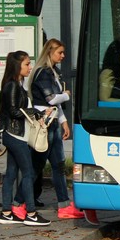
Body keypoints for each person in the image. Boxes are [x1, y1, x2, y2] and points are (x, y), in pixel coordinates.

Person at [29, 39, 85, 220]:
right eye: (60, 52)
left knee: (58, 165)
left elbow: (54, 105)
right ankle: (19, 202)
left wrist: (64, 122)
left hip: (52, 122)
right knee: (37, 165)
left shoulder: (53, 72)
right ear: (50, 52)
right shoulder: (43, 73)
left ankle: (64, 205)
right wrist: (66, 95)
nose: (63, 56)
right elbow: (52, 99)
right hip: (44, 124)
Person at [0, 50, 52, 226]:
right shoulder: (12, 85)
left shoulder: (15, 84)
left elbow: (15, 110)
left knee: (12, 173)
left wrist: (38, 112)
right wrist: (36, 112)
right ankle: (31, 213)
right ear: (17, 66)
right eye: (27, 64)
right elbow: (14, 111)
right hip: (15, 135)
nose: (30, 67)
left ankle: (6, 212)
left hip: (14, 134)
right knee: (28, 173)